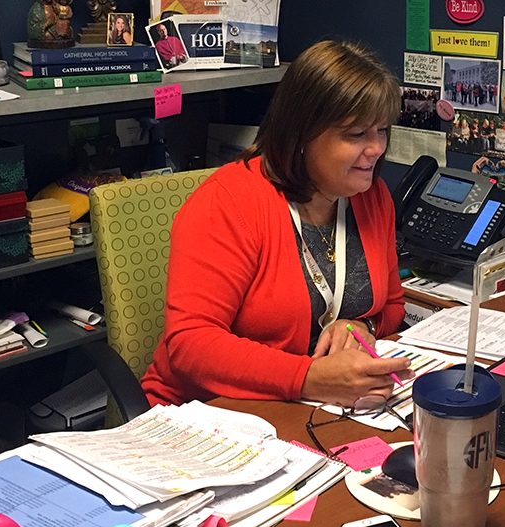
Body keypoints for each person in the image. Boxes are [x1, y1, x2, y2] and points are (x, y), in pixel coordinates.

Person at [142, 40, 414, 408]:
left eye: (381, 131)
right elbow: (190, 345)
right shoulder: (228, 203)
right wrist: (308, 378)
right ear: (301, 135)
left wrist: (359, 327)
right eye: (356, 135)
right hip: (206, 412)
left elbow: (393, 305)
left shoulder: (372, 196)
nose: (377, 148)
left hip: (302, 410)